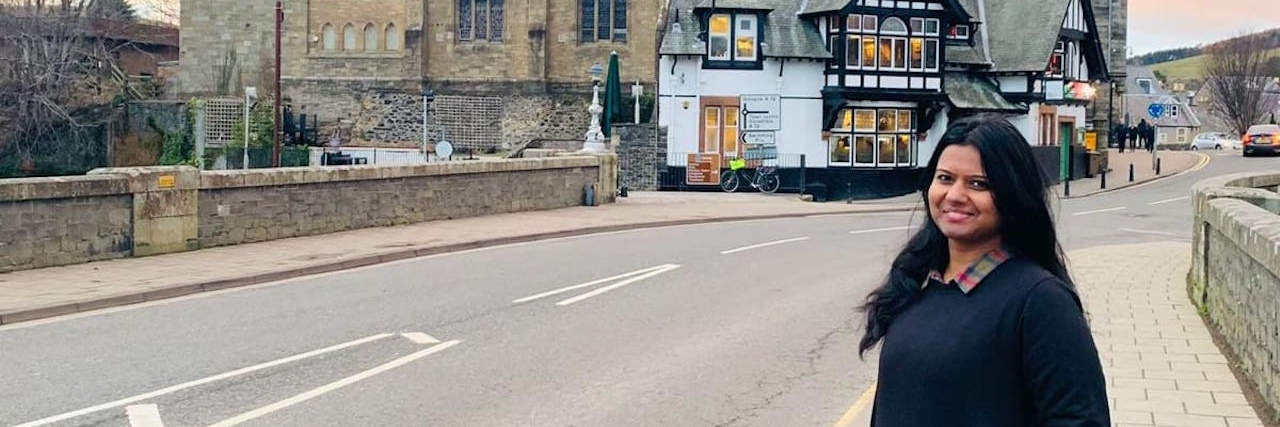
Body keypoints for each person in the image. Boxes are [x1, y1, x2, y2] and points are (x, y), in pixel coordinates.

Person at [860, 116, 1109, 426]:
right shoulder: (916, 286)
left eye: (979, 184)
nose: (954, 195)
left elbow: (1080, 419)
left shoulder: (1041, 301)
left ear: (1013, 195)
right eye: (945, 178)